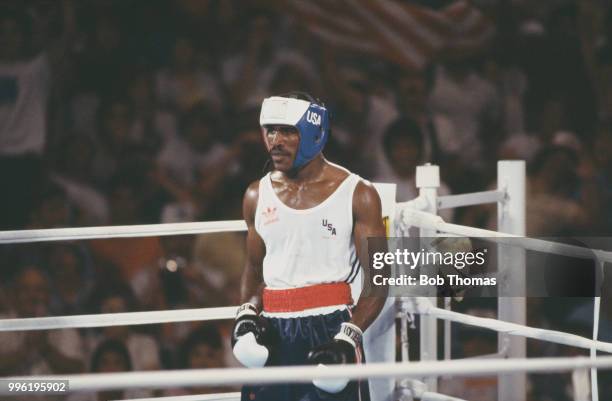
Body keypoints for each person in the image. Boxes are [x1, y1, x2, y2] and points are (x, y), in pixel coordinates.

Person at [231, 92, 388, 401]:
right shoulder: (256, 194)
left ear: (314, 131)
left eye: (288, 131)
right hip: (274, 332)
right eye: (270, 130)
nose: (275, 141)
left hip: (330, 326)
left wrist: (348, 336)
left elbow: (380, 279)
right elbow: (253, 269)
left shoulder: (358, 193)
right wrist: (246, 315)